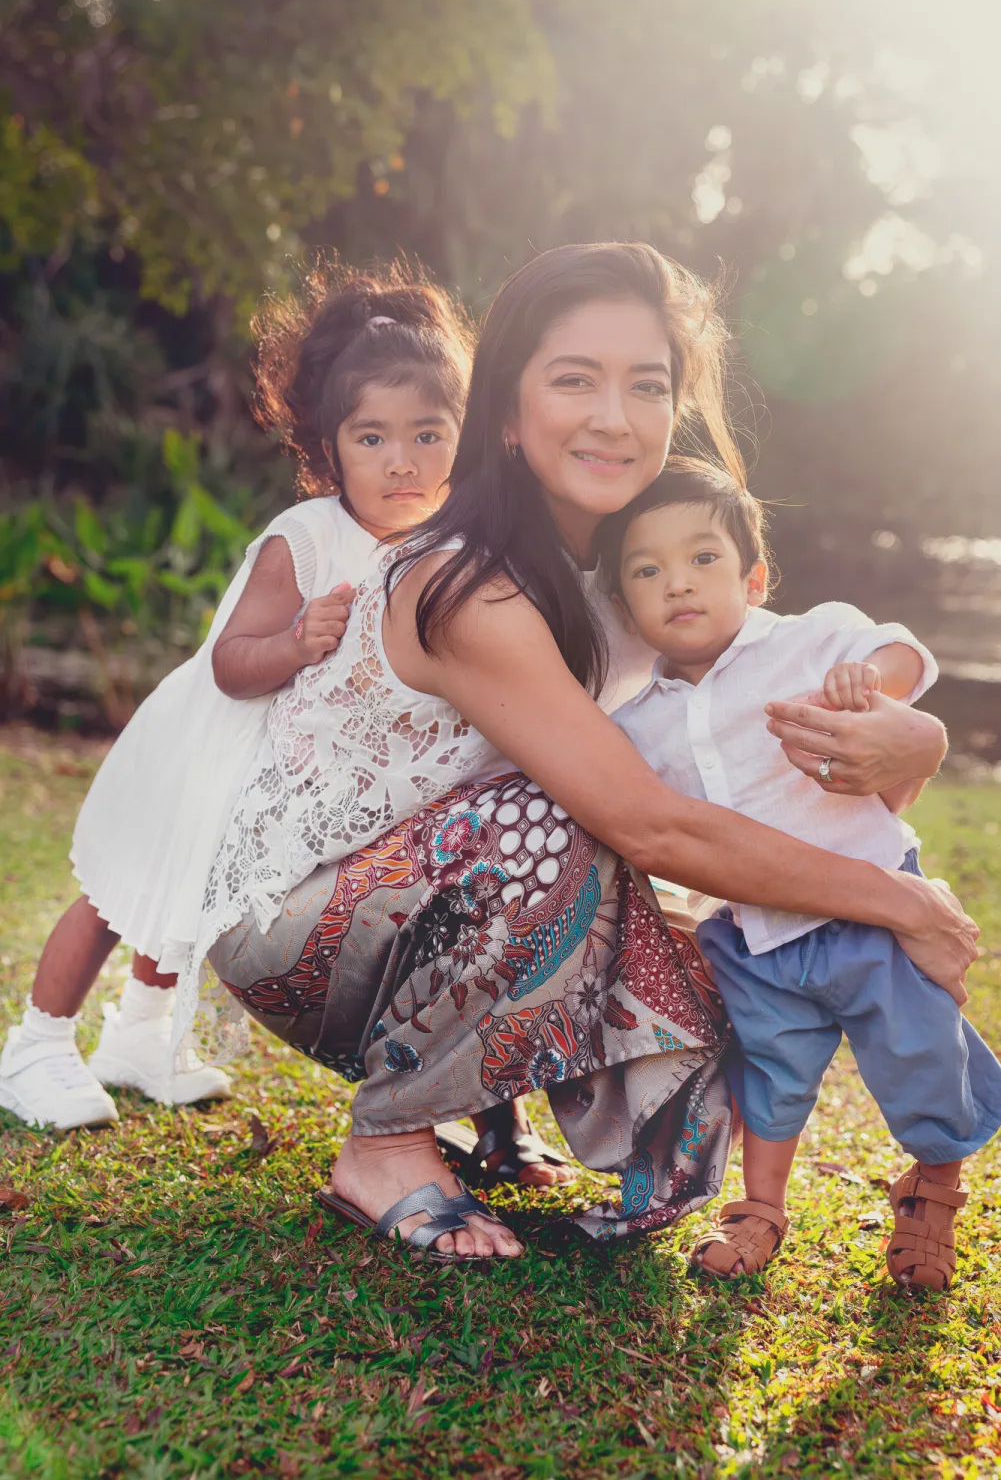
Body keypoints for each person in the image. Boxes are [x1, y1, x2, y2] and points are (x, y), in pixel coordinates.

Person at [189, 241, 975, 1264]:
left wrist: (912, 730)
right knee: (557, 815)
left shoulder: (641, 579)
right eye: (574, 380)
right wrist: (901, 902)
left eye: (645, 385)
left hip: (428, 897)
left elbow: (793, 707)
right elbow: (642, 822)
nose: (614, 415)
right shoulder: (467, 585)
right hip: (292, 920)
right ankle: (384, 1143)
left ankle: (490, 1121)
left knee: (713, 1010)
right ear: (506, 416)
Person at [0, 261, 472, 1130]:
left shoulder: (439, 548)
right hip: (206, 746)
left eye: (427, 435)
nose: (400, 462)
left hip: (273, 779)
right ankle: (36, 1041)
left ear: (461, 439)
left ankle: (141, 1035)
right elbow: (230, 662)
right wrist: (296, 643)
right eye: (370, 439)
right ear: (329, 448)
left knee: (190, 905)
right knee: (122, 894)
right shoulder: (309, 537)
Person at [601, 465, 1001, 1290]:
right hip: (753, 934)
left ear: (752, 578)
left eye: (702, 558)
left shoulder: (806, 640)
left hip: (874, 911)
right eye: (646, 570)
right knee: (770, 1074)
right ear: (622, 604)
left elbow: (900, 655)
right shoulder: (634, 722)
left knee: (920, 1052)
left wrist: (871, 686)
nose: (676, 582)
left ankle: (932, 1187)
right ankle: (758, 1209)